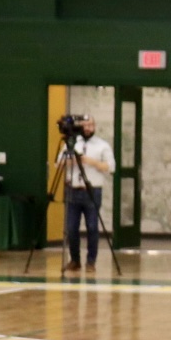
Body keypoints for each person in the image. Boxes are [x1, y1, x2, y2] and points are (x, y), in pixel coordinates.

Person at [54, 115, 115, 274]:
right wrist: (72, 161)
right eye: (85, 125)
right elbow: (58, 163)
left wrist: (90, 161)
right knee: (71, 227)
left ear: (94, 126)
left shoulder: (102, 145)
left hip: (92, 190)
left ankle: (91, 261)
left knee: (92, 226)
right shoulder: (72, 143)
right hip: (73, 189)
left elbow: (110, 167)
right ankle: (75, 259)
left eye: (91, 125)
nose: (88, 128)